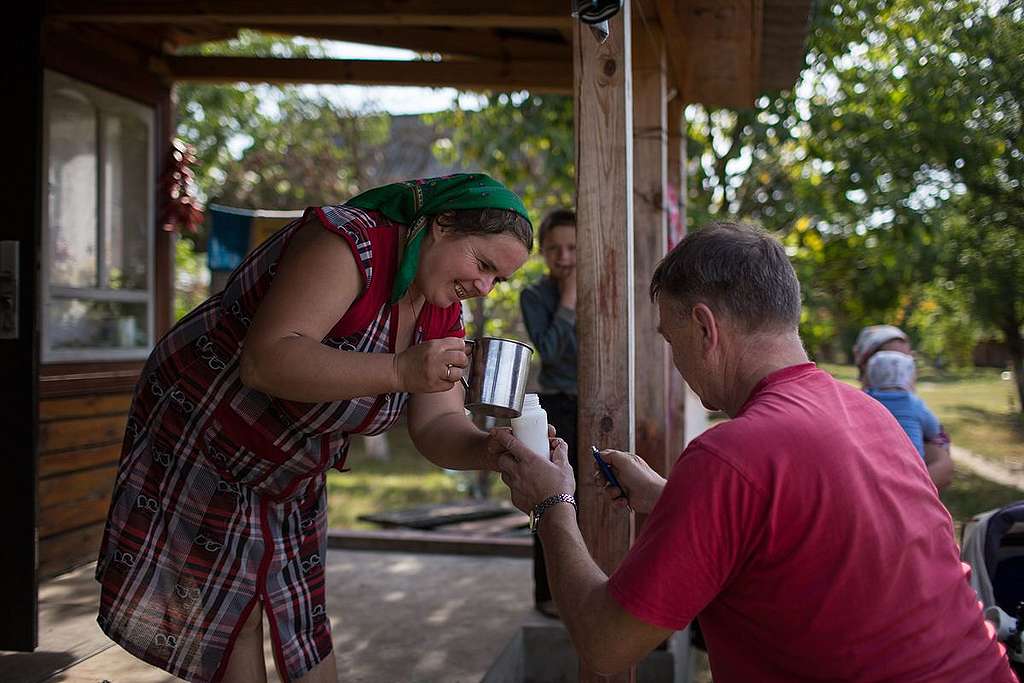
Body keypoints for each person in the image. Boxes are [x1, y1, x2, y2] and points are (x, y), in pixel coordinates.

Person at [494, 222, 1017, 682]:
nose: (675, 362)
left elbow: (606, 645)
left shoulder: (730, 457)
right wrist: (670, 497)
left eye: (671, 340)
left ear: (704, 327)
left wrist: (552, 505)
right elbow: (798, 525)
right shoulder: (867, 414)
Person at [95, 174, 532, 683]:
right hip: (205, 431)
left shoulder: (441, 313)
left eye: (497, 280)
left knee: (300, 612)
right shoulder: (349, 245)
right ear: (441, 225)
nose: (482, 289)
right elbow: (267, 360)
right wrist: (399, 371)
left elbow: (437, 423)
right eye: (481, 265)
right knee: (237, 609)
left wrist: (493, 450)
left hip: (291, 462)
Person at [519, 208, 578, 618]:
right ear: (543, 253)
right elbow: (552, 353)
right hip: (556, 403)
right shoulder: (534, 296)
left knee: (591, 499)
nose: (564, 257)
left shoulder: (602, 291)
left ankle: (586, 588)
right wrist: (570, 301)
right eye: (555, 248)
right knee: (549, 495)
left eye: (573, 247)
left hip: (598, 406)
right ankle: (548, 595)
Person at [853, 324, 954, 489]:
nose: (898, 367)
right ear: (866, 364)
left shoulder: (912, 405)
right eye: (890, 359)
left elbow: (944, 468)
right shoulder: (852, 405)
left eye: (906, 359)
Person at [865, 350, 941, 459]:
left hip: (874, 462)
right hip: (910, 466)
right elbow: (934, 430)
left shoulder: (867, 400)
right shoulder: (913, 403)